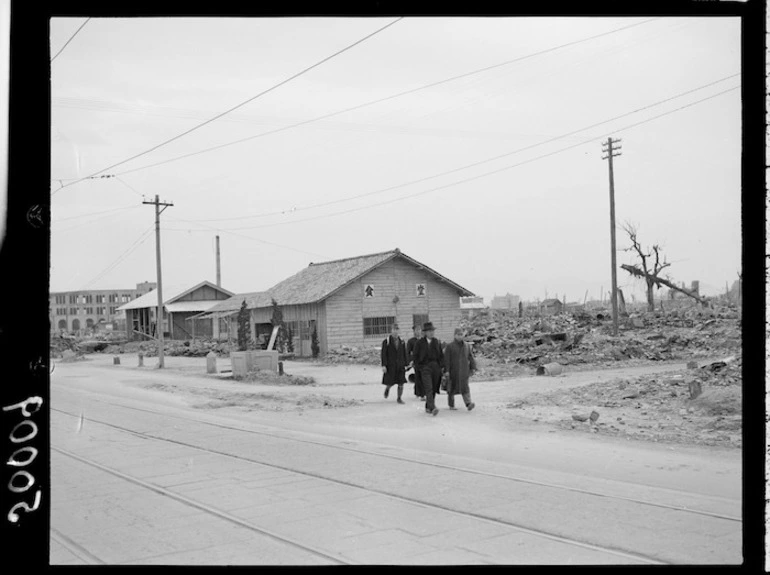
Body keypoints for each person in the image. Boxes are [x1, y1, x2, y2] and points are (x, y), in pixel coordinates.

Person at [413, 322, 443, 416]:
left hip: (435, 367)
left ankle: (428, 406)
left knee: (434, 387)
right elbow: (415, 356)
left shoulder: (436, 342)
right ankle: (433, 407)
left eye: (432, 331)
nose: (431, 333)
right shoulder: (419, 343)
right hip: (425, 367)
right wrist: (419, 367)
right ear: (425, 332)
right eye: (429, 331)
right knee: (428, 387)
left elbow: (441, 356)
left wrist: (442, 367)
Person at [443, 328, 477, 411]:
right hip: (453, 371)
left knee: (465, 387)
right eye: (458, 334)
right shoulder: (450, 346)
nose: (460, 336)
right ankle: (451, 405)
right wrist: (446, 371)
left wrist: (473, 368)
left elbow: (471, 357)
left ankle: (468, 403)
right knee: (452, 388)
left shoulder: (467, 346)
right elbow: (446, 360)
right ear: (455, 335)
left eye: (461, 334)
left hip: (464, 371)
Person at [381, 323, 407, 404]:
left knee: (401, 382)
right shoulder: (387, 341)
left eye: (397, 330)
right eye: (394, 330)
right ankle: (387, 389)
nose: (395, 332)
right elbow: (383, 354)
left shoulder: (402, 341)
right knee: (390, 382)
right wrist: (384, 365)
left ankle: (399, 398)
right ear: (391, 331)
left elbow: (404, 353)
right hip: (391, 365)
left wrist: (406, 364)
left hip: (400, 365)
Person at [406, 324, 425, 399]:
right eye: (416, 330)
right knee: (418, 377)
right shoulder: (411, 341)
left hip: (424, 361)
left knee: (423, 377)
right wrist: (410, 361)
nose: (418, 331)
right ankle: (420, 394)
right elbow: (408, 352)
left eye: (419, 329)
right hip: (416, 362)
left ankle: (419, 392)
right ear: (414, 331)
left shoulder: (424, 340)